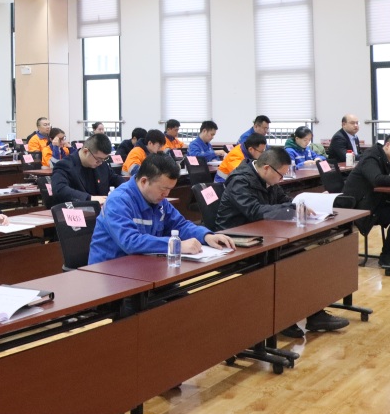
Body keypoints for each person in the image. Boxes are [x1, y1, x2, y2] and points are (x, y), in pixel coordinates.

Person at [214, 147, 349, 336]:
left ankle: (314, 314)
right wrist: (290, 208)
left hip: (264, 235)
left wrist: (300, 205)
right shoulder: (240, 181)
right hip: (237, 241)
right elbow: (255, 211)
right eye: (281, 175)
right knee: (286, 262)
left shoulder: (267, 179)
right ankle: (283, 318)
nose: (282, 179)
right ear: (267, 168)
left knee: (301, 257)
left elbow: (283, 200)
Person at [88, 153, 235, 264]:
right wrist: (175, 245)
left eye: (170, 189)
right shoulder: (118, 201)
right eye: (163, 189)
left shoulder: (158, 200)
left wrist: (205, 236)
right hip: (110, 272)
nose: (166, 194)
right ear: (144, 181)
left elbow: (180, 225)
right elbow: (130, 241)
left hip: (143, 266)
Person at [342, 133, 390, 268]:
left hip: (378, 201)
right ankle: (387, 256)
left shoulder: (388, 158)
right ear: (388, 145)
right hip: (362, 205)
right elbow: (377, 179)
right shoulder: (371, 156)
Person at [50, 133, 121, 205]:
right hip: (77, 209)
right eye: (98, 159)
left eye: (104, 159)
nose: (100, 163)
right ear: (86, 151)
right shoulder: (65, 165)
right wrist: (89, 198)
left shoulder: (102, 164)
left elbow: (115, 179)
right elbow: (59, 189)